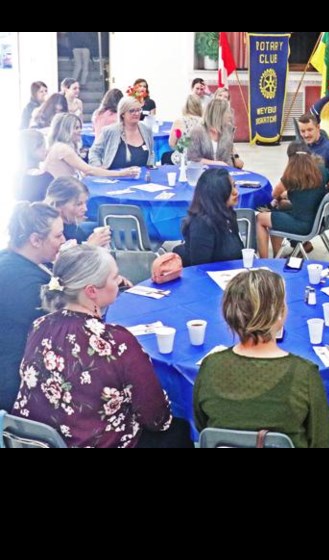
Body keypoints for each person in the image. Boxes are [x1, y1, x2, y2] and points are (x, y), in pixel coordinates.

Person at [13, 244, 192, 447]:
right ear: (91, 291)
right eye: (114, 277)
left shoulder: (39, 325)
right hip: (94, 442)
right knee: (178, 430)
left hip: (35, 441)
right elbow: (157, 418)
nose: (119, 281)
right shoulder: (115, 341)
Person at [194, 269, 329, 448]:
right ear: (280, 313)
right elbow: (321, 440)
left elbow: (202, 426)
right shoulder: (304, 373)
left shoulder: (210, 366)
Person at [0, 203, 65, 410]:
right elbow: (64, 320)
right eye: (58, 236)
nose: (63, 241)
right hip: (17, 386)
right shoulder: (22, 284)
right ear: (35, 240)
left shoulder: (12, 258)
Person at [256, 150, 325, 259]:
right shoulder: (322, 172)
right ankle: (277, 256)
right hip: (318, 220)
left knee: (260, 219)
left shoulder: (291, 177)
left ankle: (264, 260)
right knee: (279, 209)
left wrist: (283, 194)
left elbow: (274, 194)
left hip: (303, 225)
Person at [178, 168, 243, 267]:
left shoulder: (229, 214)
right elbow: (200, 269)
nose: (236, 192)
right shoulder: (201, 225)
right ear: (216, 193)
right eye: (229, 189)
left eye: (234, 186)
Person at [44, 113, 139, 180]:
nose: (80, 131)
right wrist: (121, 174)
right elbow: (88, 170)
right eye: (76, 128)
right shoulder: (63, 149)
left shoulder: (60, 146)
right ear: (66, 130)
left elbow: (84, 170)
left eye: (80, 127)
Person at [89, 97, 156, 170]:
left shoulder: (146, 130)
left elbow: (151, 153)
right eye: (132, 111)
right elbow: (94, 152)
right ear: (123, 114)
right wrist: (98, 168)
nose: (136, 113)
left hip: (142, 177)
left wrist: (150, 168)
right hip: (116, 177)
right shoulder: (110, 131)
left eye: (138, 110)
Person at [45, 177, 110, 247]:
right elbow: (62, 257)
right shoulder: (52, 233)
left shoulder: (71, 226)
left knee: (106, 227)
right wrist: (90, 246)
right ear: (58, 205)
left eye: (85, 202)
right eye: (78, 204)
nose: (85, 209)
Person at [296, 113, 329, 190]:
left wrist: (327, 191)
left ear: (318, 127)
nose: (306, 135)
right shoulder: (301, 147)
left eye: (310, 130)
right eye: (302, 131)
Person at [187, 98, 244, 168]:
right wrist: (216, 163)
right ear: (218, 114)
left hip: (226, 171)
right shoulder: (197, 131)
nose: (230, 115)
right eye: (228, 112)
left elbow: (230, 148)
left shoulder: (228, 129)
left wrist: (236, 157)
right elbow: (192, 158)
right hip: (204, 172)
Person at [17, 129, 53, 203]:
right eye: (43, 146)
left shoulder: (17, 176)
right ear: (33, 149)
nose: (45, 150)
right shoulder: (45, 177)